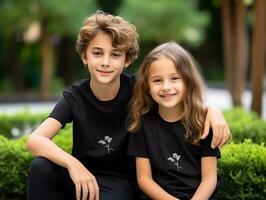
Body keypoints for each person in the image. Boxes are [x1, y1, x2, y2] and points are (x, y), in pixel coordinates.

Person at [26, 10, 229, 200]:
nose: (106, 62)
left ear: (127, 60)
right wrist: (73, 164)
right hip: (82, 176)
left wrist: (211, 110)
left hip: (121, 184)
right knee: (40, 167)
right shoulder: (75, 97)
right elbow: (34, 140)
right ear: (84, 57)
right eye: (97, 53)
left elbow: (174, 100)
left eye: (115, 54)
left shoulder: (138, 90)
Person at [127, 41, 221, 200]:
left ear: (188, 82)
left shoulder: (203, 123)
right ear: (148, 87)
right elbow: (144, 179)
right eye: (157, 80)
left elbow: (209, 178)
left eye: (174, 78)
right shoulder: (142, 125)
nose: (166, 87)